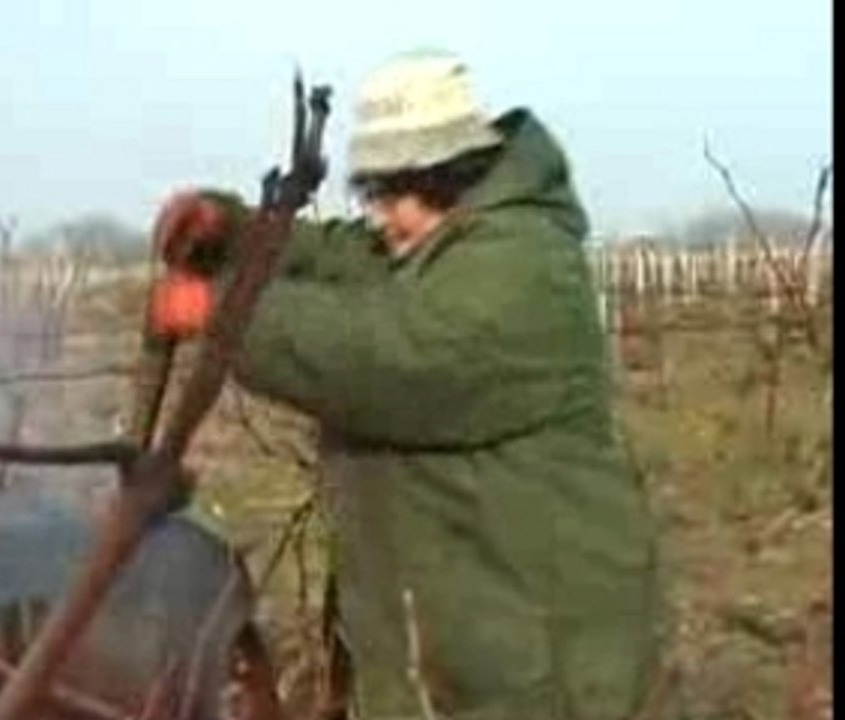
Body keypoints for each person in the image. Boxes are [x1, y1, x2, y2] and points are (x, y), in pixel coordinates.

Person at [149, 50, 666, 720]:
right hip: (477, 641)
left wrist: (218, 313)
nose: (382, 218)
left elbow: (389, 356)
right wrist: (234, 235)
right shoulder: (441, 247)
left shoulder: (522, 266)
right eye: (376, 197)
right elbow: (342, 260)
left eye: (396, 197)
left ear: (449, 180)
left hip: (544, 659)